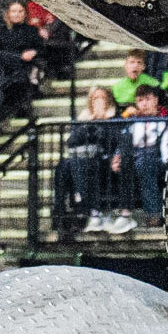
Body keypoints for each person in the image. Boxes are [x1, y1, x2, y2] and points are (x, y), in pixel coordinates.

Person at [59, 88, 127, 234]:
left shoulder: (115, 117)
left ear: (108, 100)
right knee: (64, 166)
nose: (98, 101)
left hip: (106, 158)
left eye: (102, 98)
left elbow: (115, 140)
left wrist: (103, 122)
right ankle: (60, 214)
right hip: (86, 158)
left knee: (85, 165)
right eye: (95, 98)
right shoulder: (84, 118)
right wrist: (88, 123)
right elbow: (72, 141)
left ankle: (92, 212)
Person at [113, 86, 168, 226]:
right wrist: (117, 156)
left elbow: (165, 146)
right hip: (134, 156)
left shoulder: (164, 119)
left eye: (147, 99)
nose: (144, 104)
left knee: (144, 164)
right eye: (140, 100)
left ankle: (154, 214)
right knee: (126, 163)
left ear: (155, 100)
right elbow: (124, 141)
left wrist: (166, 163)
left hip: (155, 156)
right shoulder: (133, 121)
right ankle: (125, 213)